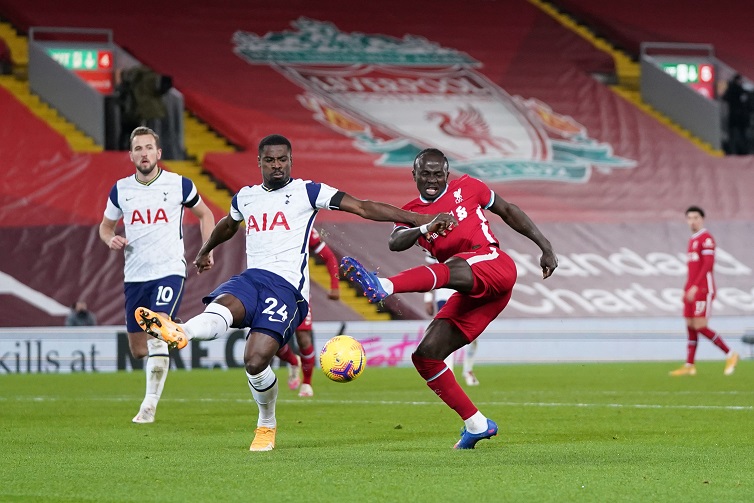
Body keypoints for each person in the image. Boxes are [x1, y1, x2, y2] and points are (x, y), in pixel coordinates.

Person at [134, 134, 454, 452]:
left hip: (288, 289)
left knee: (255, 360)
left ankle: (267, 422)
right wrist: (206, 249)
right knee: (222, 307)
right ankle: (180, 330)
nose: (277, 165)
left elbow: (363, 206)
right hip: (251, 278)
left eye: (282, 159)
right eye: (270, 160)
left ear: (291, 161)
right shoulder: (245, 197)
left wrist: (422, 219)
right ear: (259, 162)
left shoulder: (308, 191)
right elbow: (229, 224)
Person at [341, 148, 557, 449]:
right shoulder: (412, 211)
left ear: (447, 174)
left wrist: (544, 245)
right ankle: (477, 424)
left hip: (495, 264)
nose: (432, 180)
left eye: (438, 174)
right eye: (425, 174)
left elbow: (508, 210)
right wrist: (426, 226)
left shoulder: (469, 186)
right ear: (414, 174)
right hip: (473, 291)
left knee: (453, 266)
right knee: (426, 356)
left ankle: (385, 286)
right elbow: (395, 242)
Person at [99, 126, 215, 423]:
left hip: (169, 271)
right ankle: (175, 327)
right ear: (131, 155)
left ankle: (148, 406)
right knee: (139, 350)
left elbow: (206, 214)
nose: (144, 153)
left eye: (149, 147)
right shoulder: (121, 189)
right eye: (138, 148)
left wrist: (206, 249)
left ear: (159, 153)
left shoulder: (178, 184)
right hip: (135, 275)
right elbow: (105, 226)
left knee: (156, 335)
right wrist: (109, 238)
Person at [670, 206, 739, 376]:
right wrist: (687, 288)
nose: (692, 221)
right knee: (690, 325)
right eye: (689, 218)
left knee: (700, 325)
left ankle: (730, 354)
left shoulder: (706, 239)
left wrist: (695, 286)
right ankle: (689, 365)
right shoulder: (692, 240)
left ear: (702, 219)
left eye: (695, 217)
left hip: (703, 288)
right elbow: (692, 269)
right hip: (691, 288)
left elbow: (708, 265)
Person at [276, 227, 341, 397]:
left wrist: (335, 285)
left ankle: (306, 383)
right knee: (272, 340)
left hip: (299, 294)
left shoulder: (303, 226)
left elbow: (328, 256)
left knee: (304, 339)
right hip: (273, 292)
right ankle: (293, 361)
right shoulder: (268, 225)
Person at [424, 257, 479, 386]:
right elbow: (430, 269)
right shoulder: (435, 239)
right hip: (444, 295)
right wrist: (428, 297)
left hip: (465, 294)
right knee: (446, 337)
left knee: (473, 337)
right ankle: (449, 377)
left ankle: (468, 370)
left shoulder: (468, 241)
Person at [721, 74, 751, 155]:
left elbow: (724, 98)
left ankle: (736, 151)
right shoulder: (738, 91)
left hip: (737, 118)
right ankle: (740, 151)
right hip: (738, 118)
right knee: (738, 136)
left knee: (737, 136)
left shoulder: (739, 90)